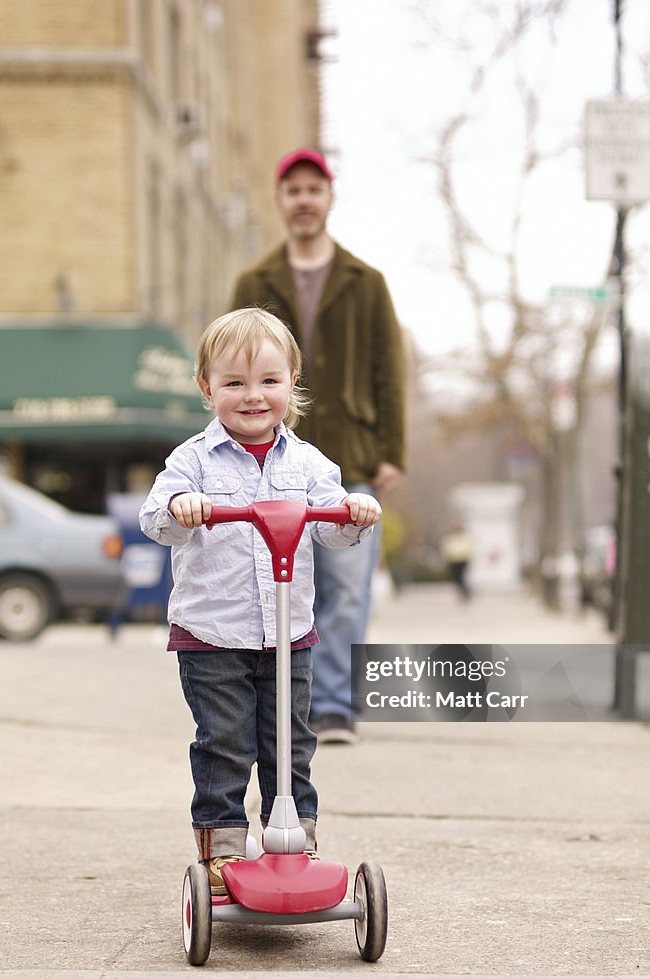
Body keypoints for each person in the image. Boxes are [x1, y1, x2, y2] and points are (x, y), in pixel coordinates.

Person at [139, 307, 381, 895]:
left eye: (269, 381)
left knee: (290, 741)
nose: (253, 396)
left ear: (291, 382)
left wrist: (353, 513)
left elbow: (330, 524)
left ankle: (296, 836)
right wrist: (181, 508)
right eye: (235, 383)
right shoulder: (191, 460)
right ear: (207, 388)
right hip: (211, 634)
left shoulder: (307, 463)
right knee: (225, 741)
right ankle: (222, 847)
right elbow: (154, 518)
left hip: (287, 635)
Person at [230, 147, 406, 745]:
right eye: (293, 191)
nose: (304, 200)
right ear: (280, 203)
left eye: (314, 189)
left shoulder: (366, 282)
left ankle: (332, 705)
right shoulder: (255, 283)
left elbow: (390, 370)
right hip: (274, 460)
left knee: (348, 586)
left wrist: (392, 450)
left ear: (329, 199)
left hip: (352, 456)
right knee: (281, 584)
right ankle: (284, 700)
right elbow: (235, 362)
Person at [440, 524, 474, 602]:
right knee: (457, 578)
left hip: (463, 560)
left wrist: (467, 556)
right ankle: (463, 591)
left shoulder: (465, 538)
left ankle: (465, 591)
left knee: (462, 577)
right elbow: (446, 549)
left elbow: (469, 548)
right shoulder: (451, 538)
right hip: (454, 561)